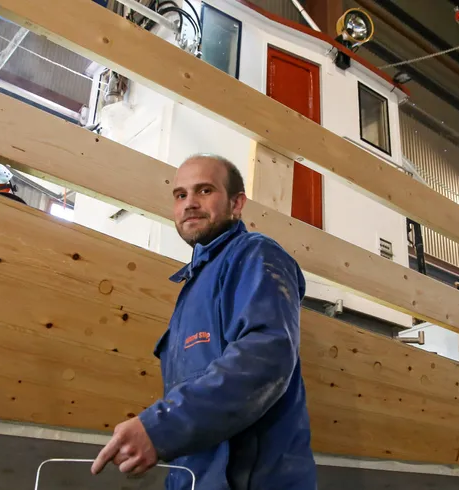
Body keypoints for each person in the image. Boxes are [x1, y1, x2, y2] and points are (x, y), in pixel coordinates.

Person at [91, 154, 317, 489]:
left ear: (236, 203)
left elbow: (266, 356)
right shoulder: (194, 285)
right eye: (180, 195)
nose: (190, 204)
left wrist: (160, 428)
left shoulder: (255, 255)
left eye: (205, 190)